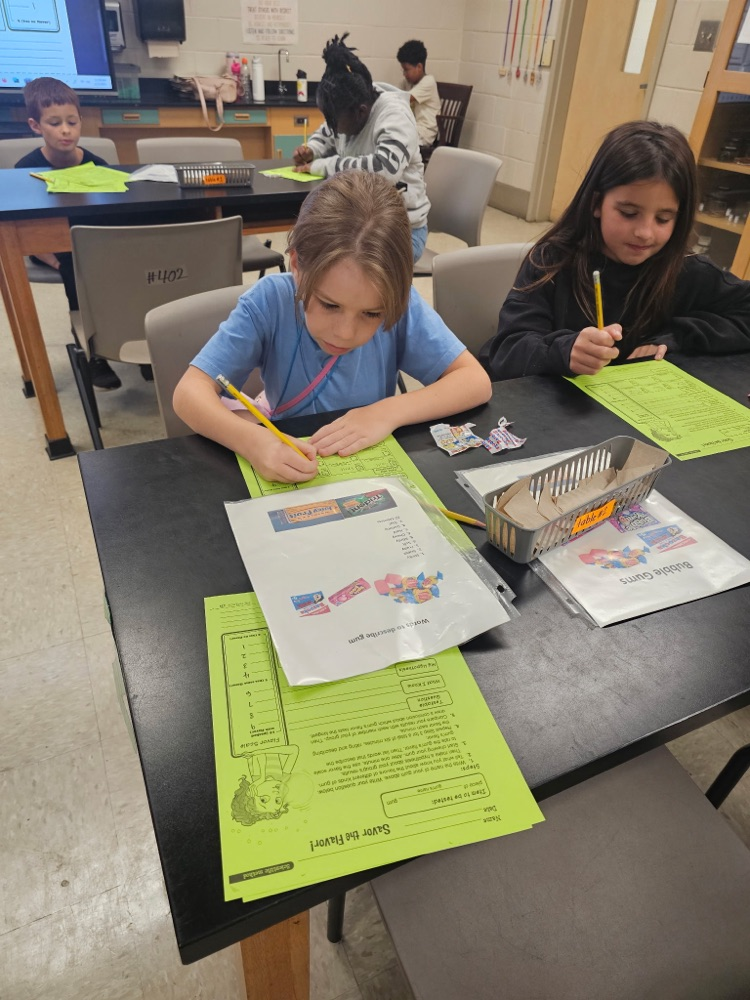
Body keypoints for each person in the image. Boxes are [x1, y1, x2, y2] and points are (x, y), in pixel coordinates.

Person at [173, 170, 491, 484]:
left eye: (372, 314)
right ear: (297, 265)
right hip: (291, 463)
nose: (345, 333)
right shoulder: (268, 303)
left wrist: (388, 412)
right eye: (329, 305)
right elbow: (189, 393)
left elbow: (474, 381)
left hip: (367, 474)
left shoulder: (400, 301)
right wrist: (253, 441)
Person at [480, 120, 750, 380]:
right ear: (597, 203)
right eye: (629, 213)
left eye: (663, 219)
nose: (645, 232)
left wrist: (678, 335)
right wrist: (565, 351)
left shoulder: (686, 269)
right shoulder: (552, 261)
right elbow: (508, 350)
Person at [15, 77, 124, 390]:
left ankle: (134, 339)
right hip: (51, 249)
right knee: (75, 267)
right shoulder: (27, 170)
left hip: (95, 243)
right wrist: (50, 258)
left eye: (72, 122)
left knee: (127, 263)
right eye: (55, 123)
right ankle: (93, 354)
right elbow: (23, 227)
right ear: (36, 126)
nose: (66, 130)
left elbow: (116, 210)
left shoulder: (96, 165)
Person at [292, 33, 430, 262]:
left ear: (362, 111)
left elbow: (384, 170)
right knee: (311, 253)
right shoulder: (351, 102)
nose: (335, 130)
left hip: (401, 232)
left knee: (339, 267)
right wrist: (312, 149)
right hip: (362, 223)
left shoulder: (394, 116)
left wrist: (321, 165)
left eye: (338, 124)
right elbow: (327, 132)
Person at [397, 39, 441, 149]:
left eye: (407, 70)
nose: (404, 74)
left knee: (393, 137)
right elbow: (396, 99)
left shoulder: (428, 82)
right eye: (403, 70)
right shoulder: (406, 83)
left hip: (425, 133)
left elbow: (403, 99)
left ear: (419, 67)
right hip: (412, 128)